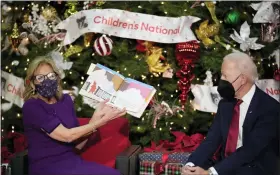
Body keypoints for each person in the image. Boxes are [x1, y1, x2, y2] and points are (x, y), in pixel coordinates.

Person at [22, 56, 126, 175]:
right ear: (33, 83)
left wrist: (96, 117)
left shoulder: (66, 101)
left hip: (72, 162)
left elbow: (77, 145)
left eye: (51, 76)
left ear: (57, 78)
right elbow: (67, 136)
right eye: (40, 78)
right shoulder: (32, 107)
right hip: (46, 167)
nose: (47, 81)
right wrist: (101, 122)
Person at [182, 52, 280, 175]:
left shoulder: (269, 108)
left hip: (254, 168)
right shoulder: (226, 104)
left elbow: (250, 151)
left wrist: (210, 173)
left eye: (225, 76)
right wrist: (190, 164)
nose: (221, 80)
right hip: (224, 166)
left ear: (242, 79)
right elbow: (212, 140)